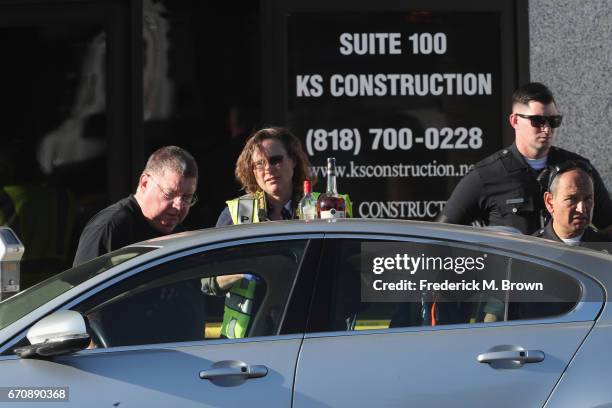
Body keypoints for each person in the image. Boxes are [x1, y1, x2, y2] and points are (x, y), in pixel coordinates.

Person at [437, 82, 612, 235]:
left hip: (567, 269)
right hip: (514, 271)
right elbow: (443, 234)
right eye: (537, 121)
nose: (546, 129)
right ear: (514, 121)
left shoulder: (577, 169)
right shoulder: (486, 175)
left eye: (553, 121)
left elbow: (608, 225)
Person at [73, 145, 198, 265]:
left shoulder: (179, 235)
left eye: (187, 197)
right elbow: (80, 285)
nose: (179, 206)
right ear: (144, 183)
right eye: (169, 194)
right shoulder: (110, 227)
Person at [216, 126, 352, 226]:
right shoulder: (236, 212)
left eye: (275, 160)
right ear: (252, 171)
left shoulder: (329, 206)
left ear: (293, 160)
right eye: (259, 164)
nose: (268, 169)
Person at [533, 160, 611, 249]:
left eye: (587, 199)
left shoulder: (606, 248)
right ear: (550, 202)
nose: (581, 209)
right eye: (572, 199)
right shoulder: (532, 251)